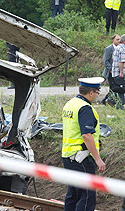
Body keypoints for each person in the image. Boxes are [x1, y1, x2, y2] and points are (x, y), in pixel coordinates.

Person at [62, 77, 106, 211]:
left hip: (68, 156)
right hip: (81, 158)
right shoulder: (85, 108)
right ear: (91, 93)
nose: (98, 95)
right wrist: (98, 159)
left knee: (73, 195)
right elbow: (86, 135)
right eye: (97, 92)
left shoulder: (70, 104)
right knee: (87, 196)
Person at [101, 34, 120, 105]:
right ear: (113, 40)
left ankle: (110, 101)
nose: (119, 41)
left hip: (118, 71)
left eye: (119, 39)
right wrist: (111, 69)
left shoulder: (121, 48)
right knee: (112, 88)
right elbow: (105, 61)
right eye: (117, 39)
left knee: (117, 87)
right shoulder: (108, 49)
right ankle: (106, 100)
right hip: (110, 72)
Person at [111, 34, 125, 108]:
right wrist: (121, 72)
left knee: (119, 88)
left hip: (115, 72)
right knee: (121, 90)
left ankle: (110, 99)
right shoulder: (123, 49)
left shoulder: (117, 47)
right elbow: (121, 62)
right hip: (121, 73)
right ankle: (120, 107)